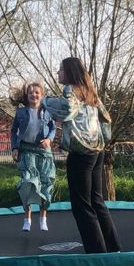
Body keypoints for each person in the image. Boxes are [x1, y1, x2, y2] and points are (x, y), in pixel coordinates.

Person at [44, 57, 118, 255]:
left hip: (81, 153)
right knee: (96, 201)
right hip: (97, 151)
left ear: (69, 73)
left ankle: (96, 255)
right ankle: (113, 249)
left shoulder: (71, 90)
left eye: (60, 70)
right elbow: (105, 118)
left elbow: (66, 110)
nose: (58, 72)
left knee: (82, 206)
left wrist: (44, 100)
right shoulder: (90, 92)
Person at [10, 81, 57, 232]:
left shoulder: (47, 112)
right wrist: (15, 147)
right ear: (27, 96)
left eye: (37, 92)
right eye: (31, 92)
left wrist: (49, 139)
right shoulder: (21, 113)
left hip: (43, 151)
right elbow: (13, 131)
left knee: (45, 183)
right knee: (27, 182)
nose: (34, 95)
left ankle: (43, 218)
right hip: (27, 150)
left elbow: (53, 128)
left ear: (41, 96)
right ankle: (27, 218)